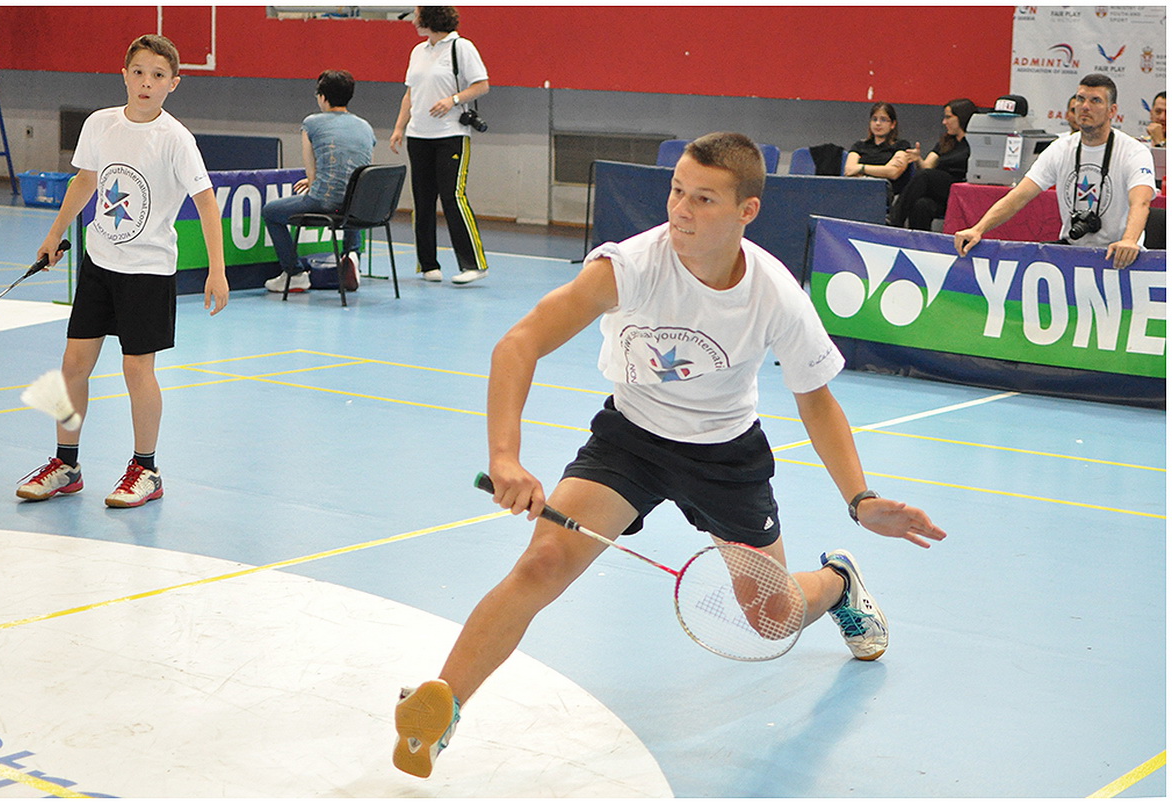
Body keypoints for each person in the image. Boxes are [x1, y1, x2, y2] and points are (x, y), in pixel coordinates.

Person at [391, 132, 947, 779]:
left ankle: (838, 581)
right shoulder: (629, 266)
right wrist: (506, 457)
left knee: (773, 618)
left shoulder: (774, 293)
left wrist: (860, 499)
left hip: (725, 456)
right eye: (677, 191)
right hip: (631, 439)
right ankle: (442, 710)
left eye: (703, 199)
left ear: (746, 211)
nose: (681, 209)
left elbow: (816, 402)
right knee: (543, 561)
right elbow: (520, 343)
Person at [15, 34, 228, 508]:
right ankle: (66, 464)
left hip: (148, 271)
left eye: (158, 75)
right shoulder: (100, 124)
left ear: (173, 83)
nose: (146, 83)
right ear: (124, 75)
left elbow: (206, 203)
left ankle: (146, 470)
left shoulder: (176, 139)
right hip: (99, 263)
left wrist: (217, 270)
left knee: (137, 369)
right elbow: (86, 181)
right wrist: (55, 234)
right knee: (73, 365)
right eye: (139, 72)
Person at [953, 74, 1156, 270]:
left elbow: (1141, 202)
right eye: (1080, 99)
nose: (1085, 106)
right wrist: (978, 229)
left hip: (1119, 254)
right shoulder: (1061, 148)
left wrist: (1129, 241)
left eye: (1095, 100)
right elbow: (1019, 196)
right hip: (1072, 252)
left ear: (1112, 111)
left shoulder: (1134, 151)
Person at [389, 6, 490, 285]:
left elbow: (482, 85)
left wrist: (452, 100)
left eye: (417, 15)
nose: (413, 21)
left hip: (451, 135)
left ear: (431, 18)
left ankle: (474, 264)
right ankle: (428, 264)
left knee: (453, 196)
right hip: (418, 136)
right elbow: (410, 93)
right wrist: (399, 127)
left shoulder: (461, 47)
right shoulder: (418, 51)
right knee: (422, 200)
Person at [263, 69, 376, 294]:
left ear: (323, 97)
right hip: (360, 207)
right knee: (351, 201)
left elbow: (312, 173)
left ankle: (294, 274)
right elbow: (360, 171)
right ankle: (351, 256)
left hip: (324, 202)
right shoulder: (365, 126)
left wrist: (313, 180)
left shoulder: (311, 123)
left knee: (270, 212)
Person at [888, 98, 977, 230]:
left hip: (960, 186)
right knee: (921, 205)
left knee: (926, 176)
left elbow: (927, 174)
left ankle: (894, 221)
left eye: (948, 117)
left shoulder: (974, 142)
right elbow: (927, 166)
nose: (944, 122)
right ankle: (917, 240)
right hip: (941, 191)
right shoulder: (946, 141)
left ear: (962, 118)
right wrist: (918, 159)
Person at [844, 101, 911, 196]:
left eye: (883, 120)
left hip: (886, 194)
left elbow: (893, 172)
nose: (878, 123)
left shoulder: (901, 145)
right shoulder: (859, 145)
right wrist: (883, 170)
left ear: (892, 124)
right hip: (859, 192)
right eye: (874, 119)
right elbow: (849, 170)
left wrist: (861, 168)